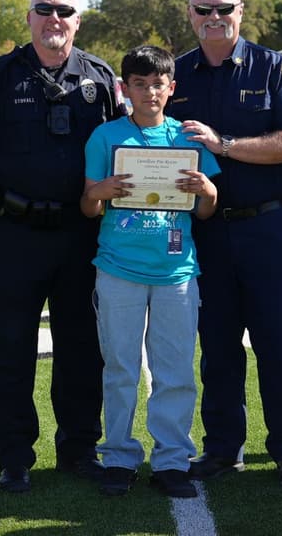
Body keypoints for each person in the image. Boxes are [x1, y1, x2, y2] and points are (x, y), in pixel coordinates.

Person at [0, 0, 124, 493]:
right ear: (29, 17)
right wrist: (0, 182)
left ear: (77, 20)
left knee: (82, 346)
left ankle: (79, 448)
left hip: (82, 233)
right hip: (17, 232)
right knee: (10, 347)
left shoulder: (99, 76)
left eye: (64, 11)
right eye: (44, 9)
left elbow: (121, 138)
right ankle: (13, 456)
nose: (54, 19)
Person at [167, 0, 282, 490]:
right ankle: (222, 448)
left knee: (280, 343)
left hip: (268, 227)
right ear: (190, 13)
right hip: (204, 232)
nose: (214, 17)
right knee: (217, 346)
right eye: (203, 9)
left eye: (223, 8)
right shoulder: (175, 74)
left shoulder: (273, 67)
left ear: (241, 11)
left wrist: (223, 144)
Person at [81, 45, 220, 499]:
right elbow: (88, 206)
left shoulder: (188, 137)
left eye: (158, 84)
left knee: (175, 370)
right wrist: (99, 191)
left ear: (171, 88)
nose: (149, 93)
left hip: (176, 272)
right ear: (124, 89)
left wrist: (208, 191)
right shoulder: (106, 136)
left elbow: (204, 211)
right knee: (120, 367)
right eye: (139, 85)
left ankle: (172, 459)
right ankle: (119, 457)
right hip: (118, 268)